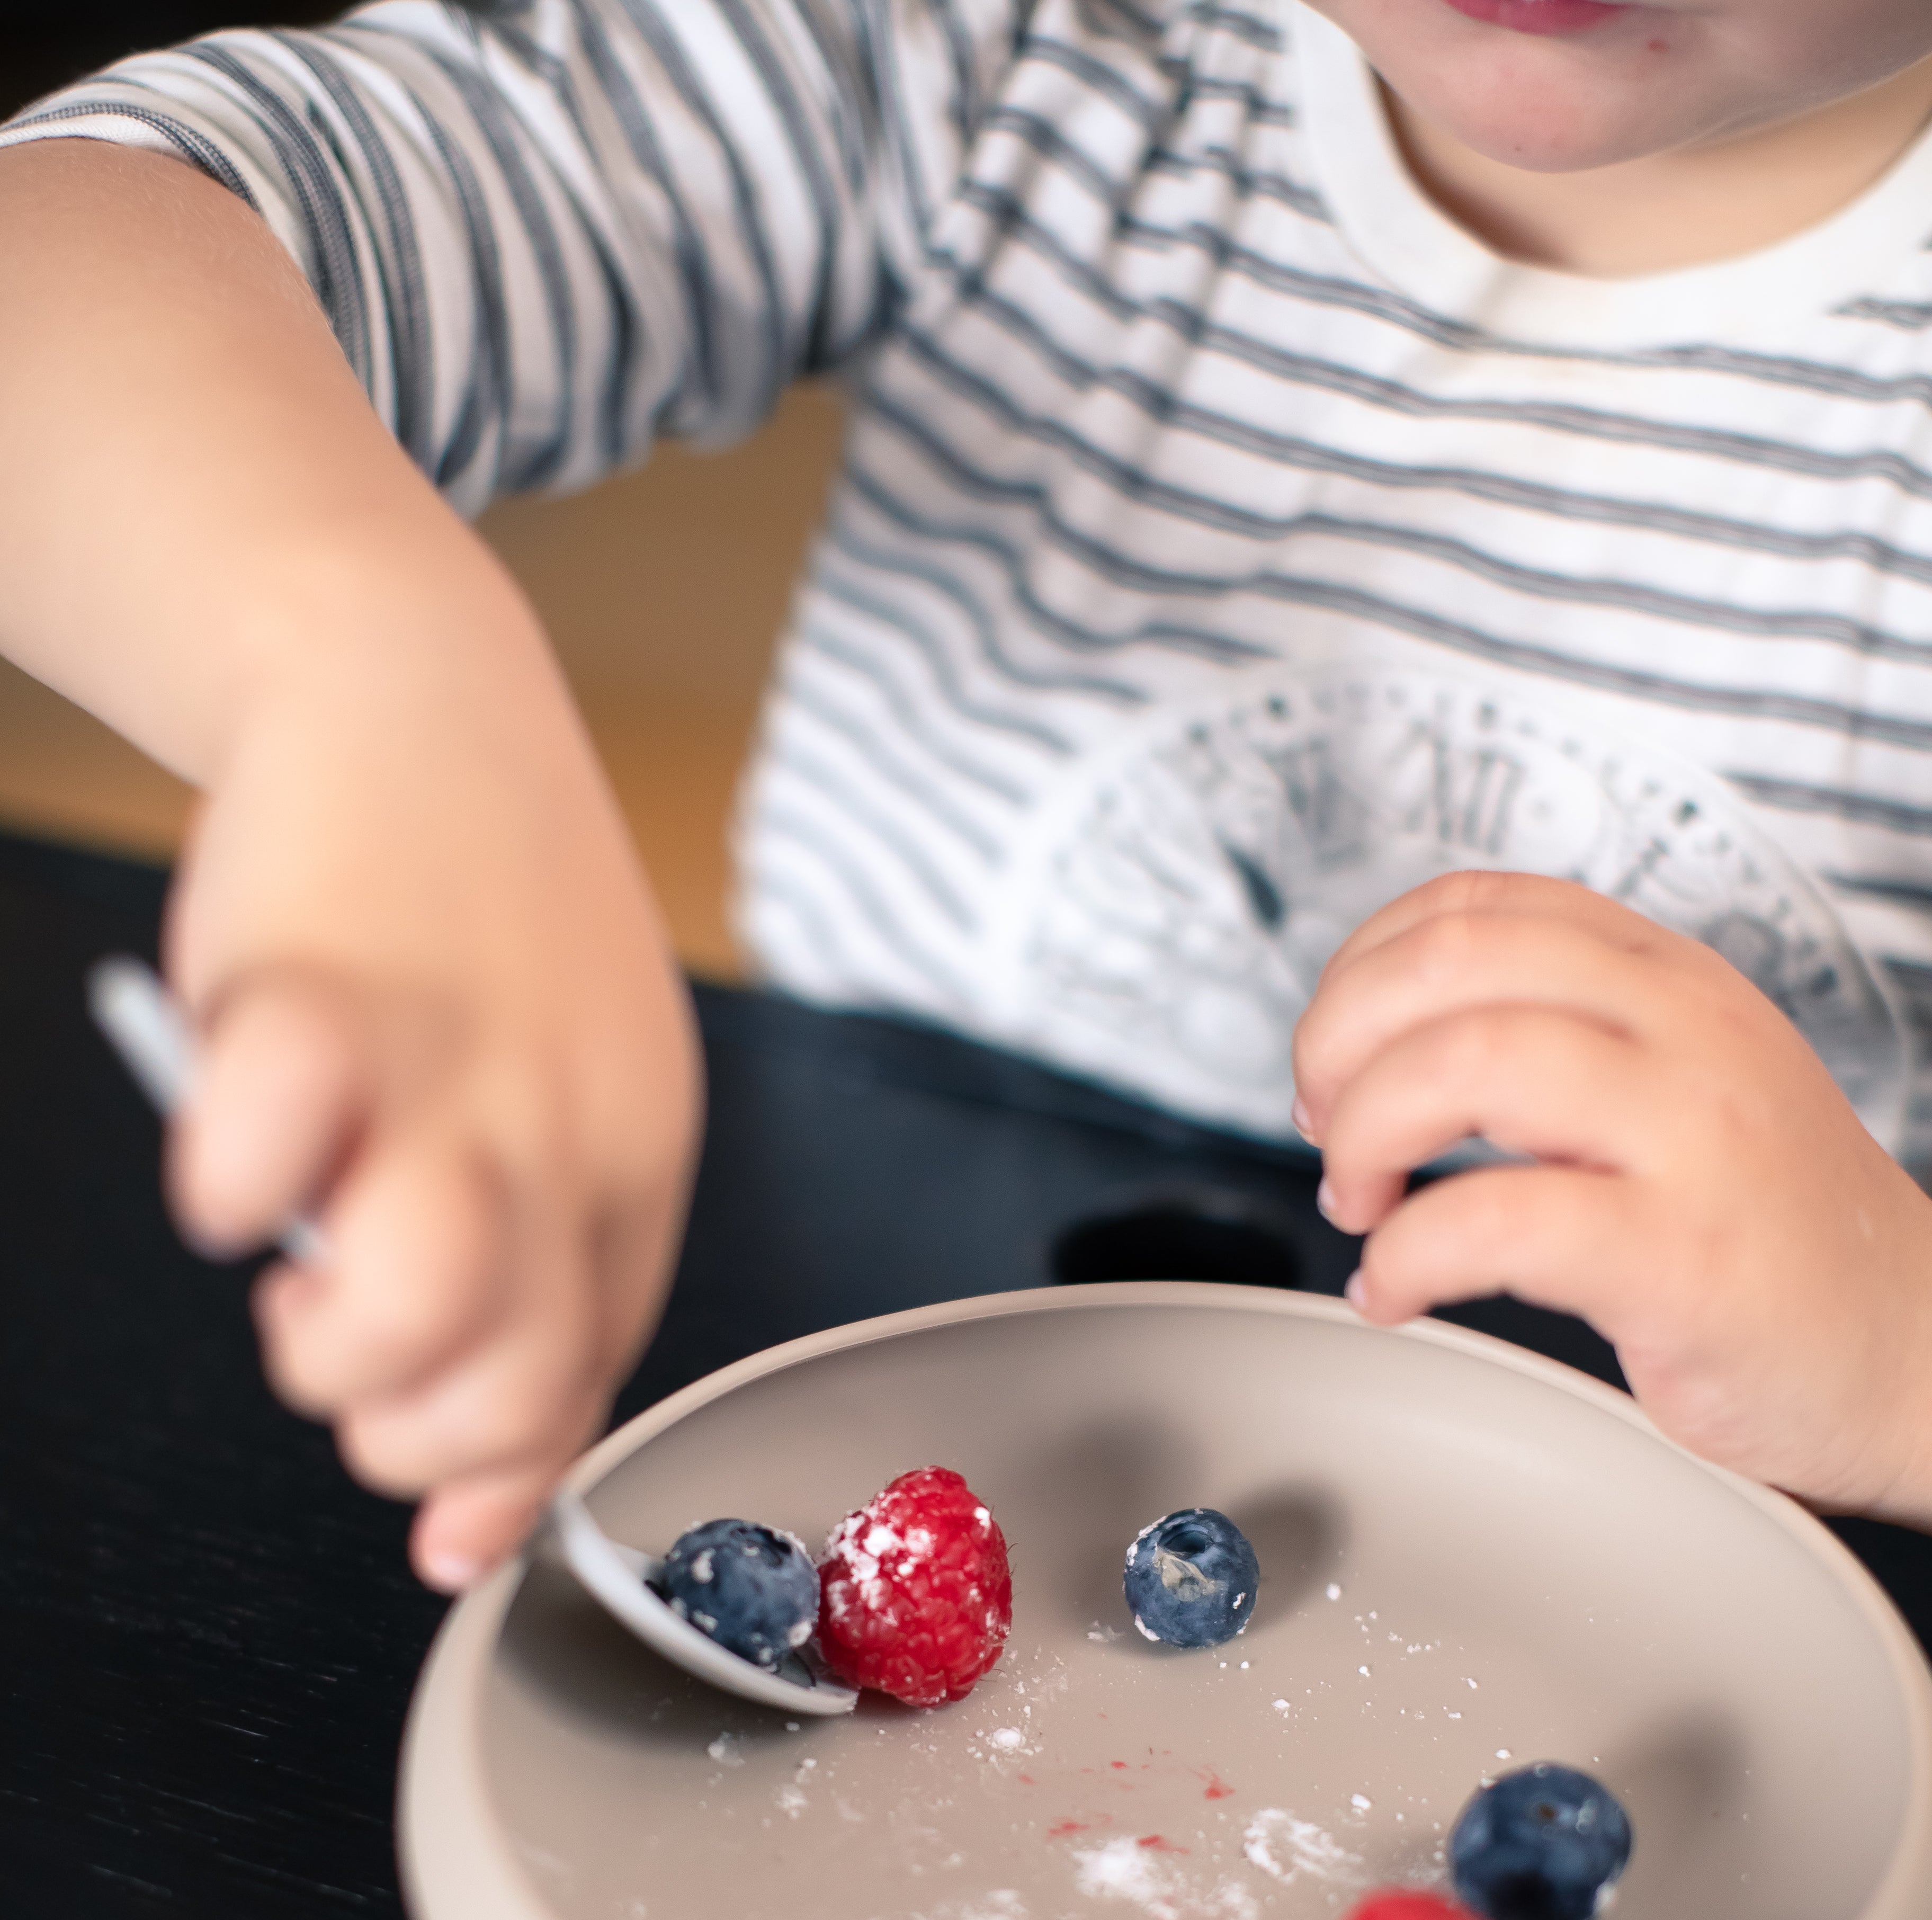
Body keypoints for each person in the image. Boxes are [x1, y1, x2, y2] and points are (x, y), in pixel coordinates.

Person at [5, 0, 1932, 1588]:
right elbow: (70, 239)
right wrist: (364, 676)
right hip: (831, 1400)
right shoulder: (1011, 53)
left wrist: (1901, 1350)